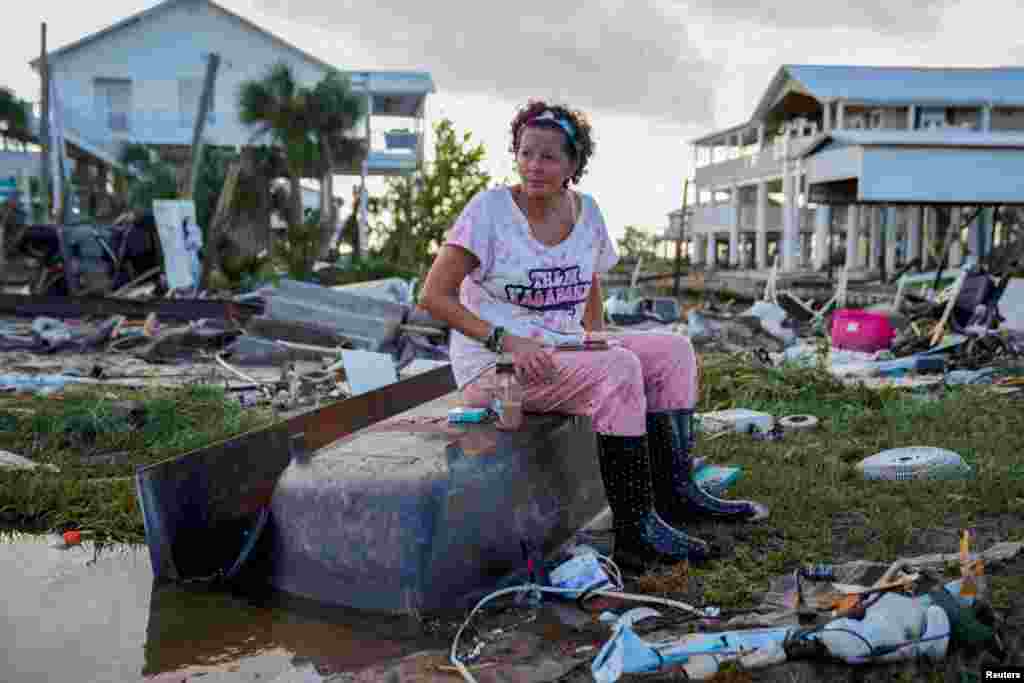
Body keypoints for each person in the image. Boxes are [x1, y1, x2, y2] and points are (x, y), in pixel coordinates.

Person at [419, 100, 767, 571]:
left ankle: (677, 495)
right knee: (618, 369)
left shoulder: (588, 212)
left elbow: (590, 279)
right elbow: (434, 297)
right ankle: (635, 531)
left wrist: (595, 335)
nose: (534, 166)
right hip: (497, 366)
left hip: (564, 348)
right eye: (525, 153)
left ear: (573, 165)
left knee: (672, 349)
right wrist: (506, 342)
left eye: (549, 156)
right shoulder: (489, 212)